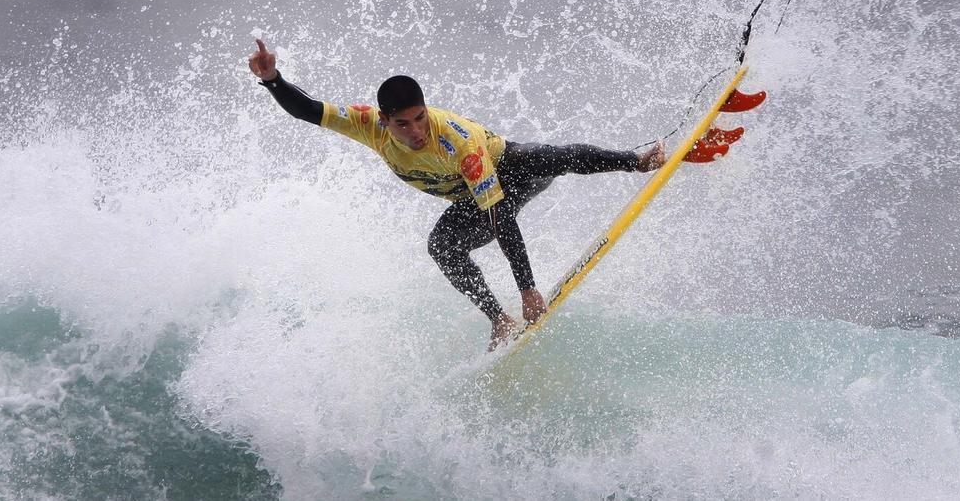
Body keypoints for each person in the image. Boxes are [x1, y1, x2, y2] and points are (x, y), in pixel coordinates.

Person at [248, 39, 664, 350]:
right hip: (472, 203)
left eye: (419, 118)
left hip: (509, 171)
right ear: (385, 121)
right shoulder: (366, 124)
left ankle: (638, 161)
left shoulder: (457, 143)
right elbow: (309, 110)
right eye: (403, 125)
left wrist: (528, 288)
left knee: (553, 156)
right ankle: (498, 320)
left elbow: (501, 217)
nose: (415, 131)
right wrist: (272, 80)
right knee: (441, 248)